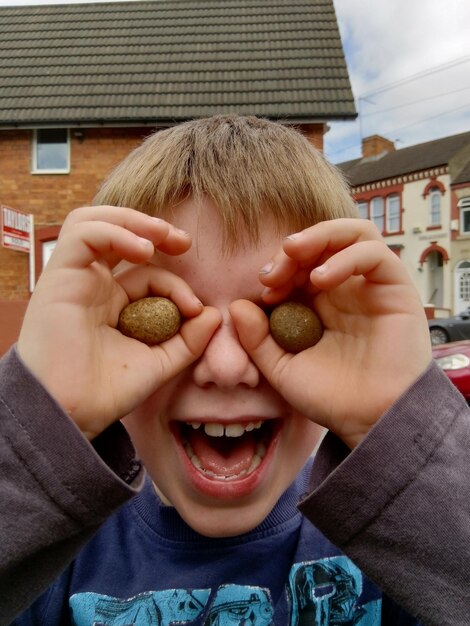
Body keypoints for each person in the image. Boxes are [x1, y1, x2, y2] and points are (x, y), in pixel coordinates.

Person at [1, 115, 469, 626]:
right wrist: (38, 425)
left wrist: (400, 435)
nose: (226, 367)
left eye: (278, 315)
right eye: (169, 313)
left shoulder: (403, 541)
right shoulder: (53, 553)